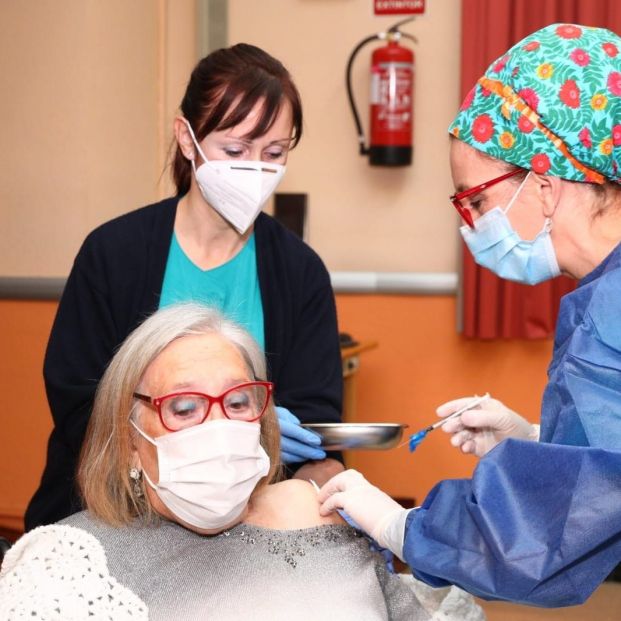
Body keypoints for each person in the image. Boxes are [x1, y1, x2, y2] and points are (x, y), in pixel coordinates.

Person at [317, 23, 621, 608]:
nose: (471, 225)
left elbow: (542, 542)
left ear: (544, 183)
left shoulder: (609, 325)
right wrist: (535, 443)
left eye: (475, 199)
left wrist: (402, 526)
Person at [25, 43, 344, 530]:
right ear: (187, 138)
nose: (254, 168)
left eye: (274, 153)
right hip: (112, 513)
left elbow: (316, 411)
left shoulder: (299, 272)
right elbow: (76, 399)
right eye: (234, 150)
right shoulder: (114, 254)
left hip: (245, 522)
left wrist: (283, 436)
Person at [0, 304, 481, 621]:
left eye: (237, 402)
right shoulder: (69, 564)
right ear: (127, 438)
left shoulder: (319, 513)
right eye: (184, 407)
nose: (218, 427)